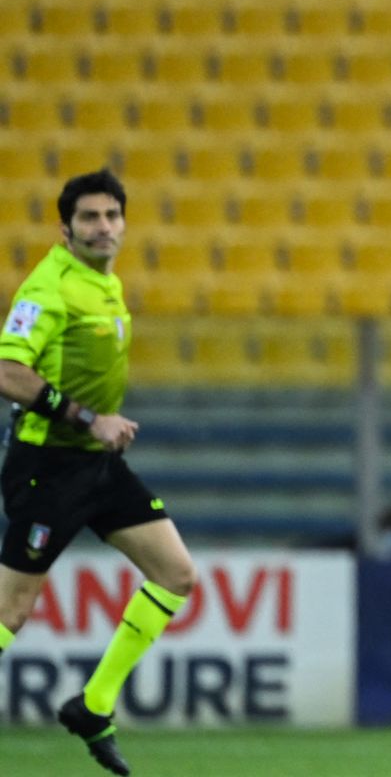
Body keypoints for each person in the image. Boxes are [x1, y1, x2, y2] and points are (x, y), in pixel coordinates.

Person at [0, 169, 197, 776]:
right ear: (66, 228)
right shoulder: (50, 285)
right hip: (48, 465)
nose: (103, 227)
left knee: (176, 575)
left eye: (111, 216)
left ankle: (93, 704)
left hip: (97, 464)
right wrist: (89, 419)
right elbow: (8, 372)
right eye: (90, 217)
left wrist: (96, 432)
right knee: (11, 612)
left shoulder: (104, 284)